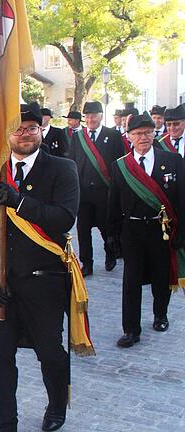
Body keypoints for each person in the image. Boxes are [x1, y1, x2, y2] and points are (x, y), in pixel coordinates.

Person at [0, 102, 80, 432]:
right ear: (8, 133)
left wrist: (19, 201)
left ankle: (57, 404)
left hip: (44, 280)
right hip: (1, 283)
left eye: (32, 128)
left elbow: (64, 218)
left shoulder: (62, 169)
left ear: (41, 131)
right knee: (0, 358)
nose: (24, 134)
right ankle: (4, 423)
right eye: (18, 128)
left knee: (50, 353)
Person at [108, 112, 185, 348]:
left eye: (148, 132)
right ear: (129, 137)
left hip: (161, 228)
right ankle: (131, 329)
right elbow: (113, 202)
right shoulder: (120, 166)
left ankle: (160, 315)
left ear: (154, 133)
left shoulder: (173, 161)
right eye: (138, 133)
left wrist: (181, 230)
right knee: (131, 281)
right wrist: (112, 235)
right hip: (132, 229)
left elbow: (182, 198)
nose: (143, 137)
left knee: (161, 276)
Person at [67, 101, 125, 276]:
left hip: (104, 190)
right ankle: (87, 263)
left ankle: (110, 254)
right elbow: (72, 161)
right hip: (83, 192)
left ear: (101, 116)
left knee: (105, 226)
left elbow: (120, 162)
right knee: (83, 230)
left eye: (94, 115)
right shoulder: (78, 137)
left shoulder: (113, 135)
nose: (91, 119)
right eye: (88, 116)